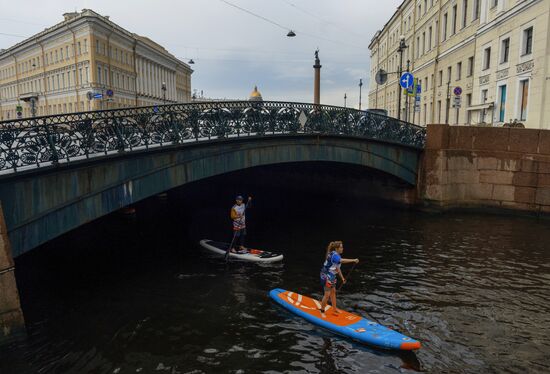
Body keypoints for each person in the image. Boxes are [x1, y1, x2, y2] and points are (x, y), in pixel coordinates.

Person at [319, 241, 359, 315]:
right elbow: (341, 261)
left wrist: (342, 278)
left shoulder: (337, 255)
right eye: (341, 247)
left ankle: (334, 309)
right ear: (337, 248)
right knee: (327, 294)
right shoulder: (335, 256)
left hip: (332, 275)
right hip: (326, 275)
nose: (342, 249)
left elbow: (337, 268)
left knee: (333, 292)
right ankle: (322, 310)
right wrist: (353, 260)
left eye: (342, 247)